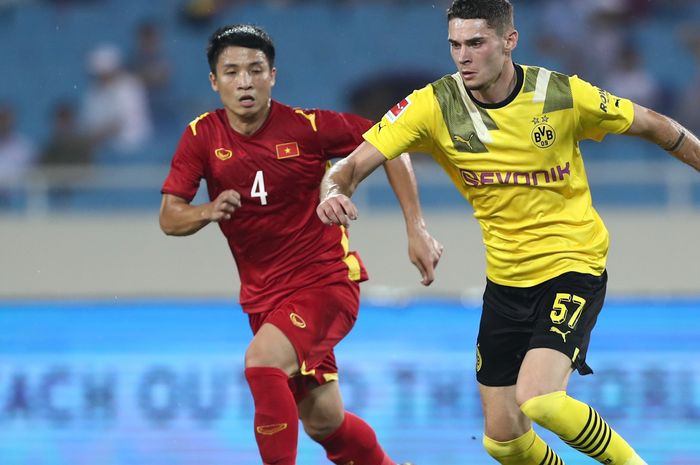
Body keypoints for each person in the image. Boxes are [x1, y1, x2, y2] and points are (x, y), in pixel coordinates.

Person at [317, 1, 700, 465]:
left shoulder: (561, 95)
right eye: (455, 45)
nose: (463, 56)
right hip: (506, 280)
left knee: (540, 398)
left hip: (572, 264)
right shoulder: (432, 105)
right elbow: (350, 167)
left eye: (476, 43)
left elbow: (657, 126)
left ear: (509, 41)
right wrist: (331, 192)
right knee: (505, 442)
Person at [159, 24, 441, 465]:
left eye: (255, 70)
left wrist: (415, 227)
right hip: (263, 299)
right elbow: (169, 217)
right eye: (231, 72)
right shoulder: (201, 137)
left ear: (273, 75)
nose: (245, 81)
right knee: (324, 422)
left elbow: (395, 142)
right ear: (214, 82)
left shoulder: (309, 128)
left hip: (325, 282)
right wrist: (205, 211)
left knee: (262, 362)